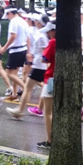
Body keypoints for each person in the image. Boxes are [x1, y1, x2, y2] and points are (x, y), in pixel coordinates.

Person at [0, 6, 29, 100]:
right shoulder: (23, 21)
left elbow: (13, 36)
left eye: (7, 15)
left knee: (9, 73)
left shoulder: (13, 21)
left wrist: (4, 48)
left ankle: (25, 88)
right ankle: (14, 94)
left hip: (15, 50)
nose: (7, 18)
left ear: (10, 13)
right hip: (23, 49)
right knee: (14, 73)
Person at [36, 20, 56, 149]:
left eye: (49, 31)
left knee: (48, 112)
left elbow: (45, 58)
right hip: (62, 79)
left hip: (51, 79)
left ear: (54, 31)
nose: (48, 34)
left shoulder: (53, 42)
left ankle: (50, 140)